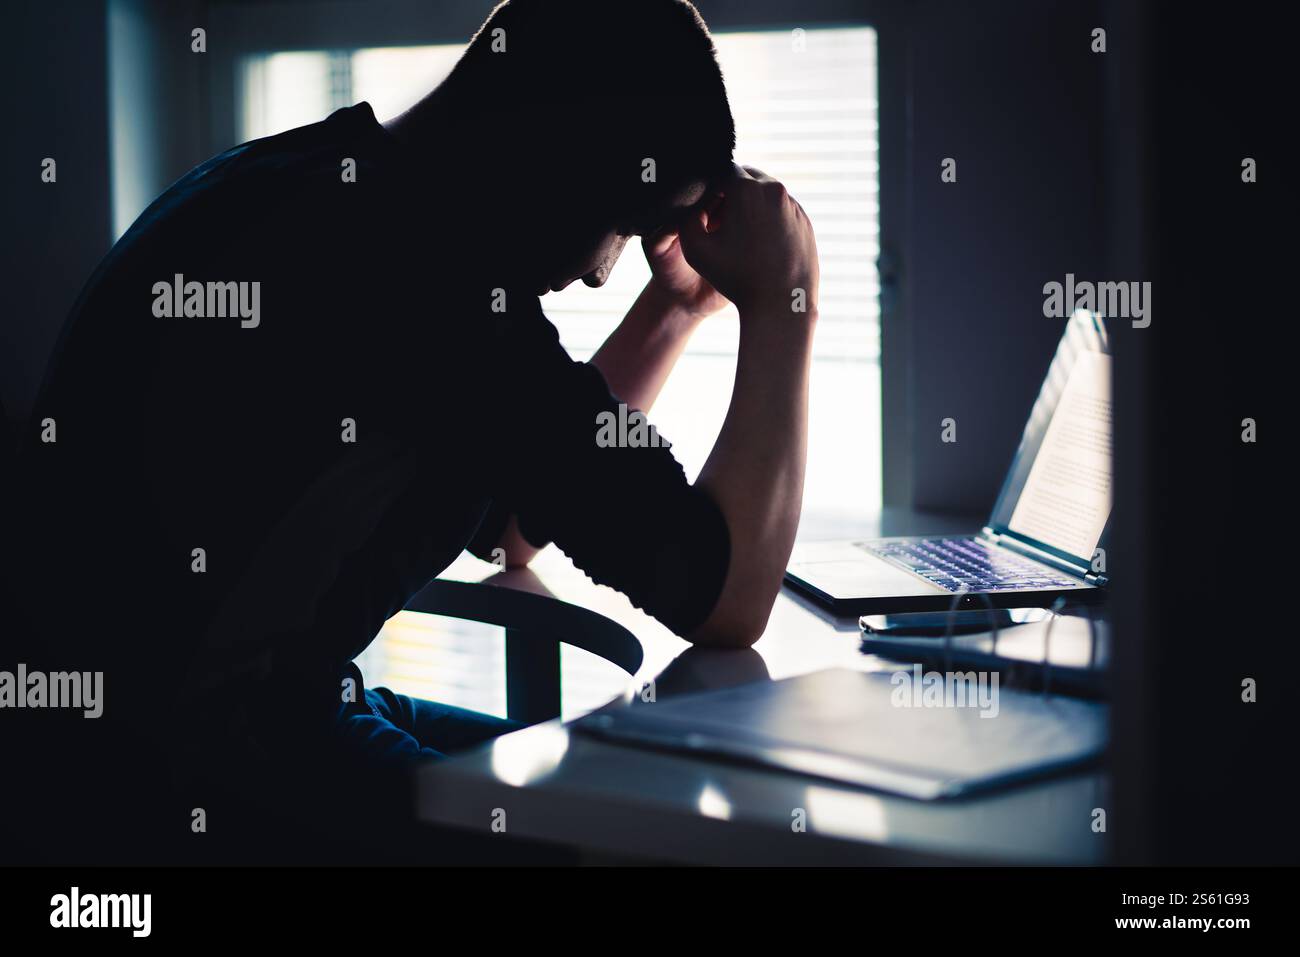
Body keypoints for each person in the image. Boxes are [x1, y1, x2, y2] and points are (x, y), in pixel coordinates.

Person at [3, 0, 818, 862]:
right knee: (620, 836)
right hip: (175, 768)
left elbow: (512, 524)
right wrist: (784, 301)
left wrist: (675, 306)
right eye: (622, 226)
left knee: (603, 788)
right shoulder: (434, 284)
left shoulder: (321, 183)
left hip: (183, 719)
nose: (596, 273)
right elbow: (726, 598)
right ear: (568, 172)